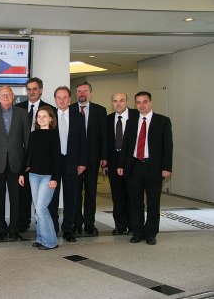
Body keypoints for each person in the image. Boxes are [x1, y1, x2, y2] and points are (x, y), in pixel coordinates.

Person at [117, 91, 173, 245]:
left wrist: (166, 167)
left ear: (151, 102)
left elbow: (168, 146)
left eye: (145, 102)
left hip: (153, 167)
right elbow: (126, 145)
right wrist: (121, 164)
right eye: (138, 102)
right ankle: (137, 232)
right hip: (134, 166)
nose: (141, 105)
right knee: (135, 202)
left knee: (153, 202)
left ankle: (151, 233)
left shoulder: (163, 121)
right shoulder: (131, 121)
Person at [0, 86, 30, 241]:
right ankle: (1, 229)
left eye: (8, 94)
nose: (5, 97)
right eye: (2, 95)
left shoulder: (23, 114)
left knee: (16, 199)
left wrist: (26, 163)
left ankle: (14, 229)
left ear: (13, 96)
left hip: (17, 164)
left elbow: (27, 141)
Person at [16, 77, 55, 232]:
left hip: (44, 165)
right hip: (23, 159)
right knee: (24, 196)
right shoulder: (18, 108)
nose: (31, 92)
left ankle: (45, 230)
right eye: (29, 89)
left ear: (41, 90)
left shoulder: (50, 109)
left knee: (43, 203)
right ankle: (24, 223)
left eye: (35, 89)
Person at [48, 86, 87, 243]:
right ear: (55, 99)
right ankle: (53, 228)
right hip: (53, 163)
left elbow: (83, 141)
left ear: (70, 99)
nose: (62, 100)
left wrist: (82, 162)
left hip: (72, 162)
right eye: (59, 97)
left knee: (71, 197)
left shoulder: (78, 117)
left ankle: (68, 229)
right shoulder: (49, 117)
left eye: (65, 97)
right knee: (52, 198)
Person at [18, 106, 60, 250]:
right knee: (38, 210)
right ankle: (41, 238)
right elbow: (27, 156)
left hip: (48, 177)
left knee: (41, 209)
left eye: (44, 116)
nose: (41, 118)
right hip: (33, 176)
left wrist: (55, 178)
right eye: (39, 116)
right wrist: (22, 174)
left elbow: (57, 159)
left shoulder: (54, 135)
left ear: (51, 118)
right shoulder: (34, 134)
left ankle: (50, 242)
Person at [70, 81, 107, 236]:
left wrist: (104, 156)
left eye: (85, 91)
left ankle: (90, 224)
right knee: (75, 193)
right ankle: (77, 224)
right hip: (75, 159)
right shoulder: (70, 110)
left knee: (91, 193)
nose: (82, 94)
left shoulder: (100, 110)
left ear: (91, 93)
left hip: (93, 159)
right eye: (79, 91)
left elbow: (104, 136)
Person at [104, 93, 138, 235]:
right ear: (112, 103)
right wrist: (105, 161)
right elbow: (105, 142)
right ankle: (120, 226)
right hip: (113, 161)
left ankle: (133, 225)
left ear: (127, 102)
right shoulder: (108, 119)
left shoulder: (136, 116)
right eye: (115, 101)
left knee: (132, 195)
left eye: (121, 100)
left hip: (132, 161)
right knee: (117, 196)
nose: (118, 104)